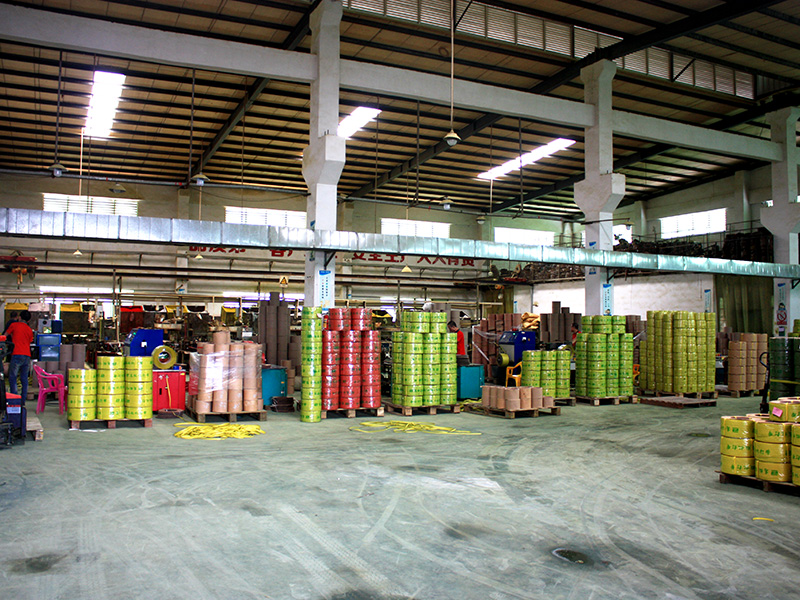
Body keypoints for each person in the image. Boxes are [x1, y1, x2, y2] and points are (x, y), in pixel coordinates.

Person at [7, 309, 33, 402]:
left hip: (16, 354)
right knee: (24, 379)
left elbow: (5, 336)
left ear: (19, 317)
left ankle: (14, 400)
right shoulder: (29, 330)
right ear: (28, 320)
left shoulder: (14, 325)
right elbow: (29, 341)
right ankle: (22, 401)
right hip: (27, 355)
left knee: (13, 377)